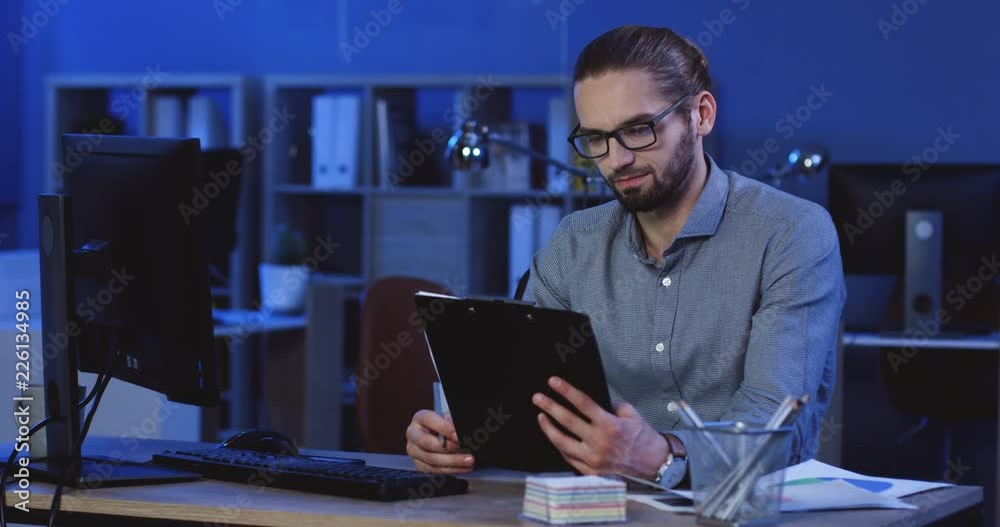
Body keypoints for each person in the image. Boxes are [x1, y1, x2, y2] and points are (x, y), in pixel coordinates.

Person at [405, 24, 846, 486]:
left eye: (638, 129)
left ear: (701, 115)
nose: (616, 160)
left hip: (739, 512)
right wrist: (461, 435)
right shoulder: (574, 242)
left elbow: (773, 430)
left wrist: (664, 456)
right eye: (596, 138)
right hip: (596, 510)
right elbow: (525, 399)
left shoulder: (792, 233)